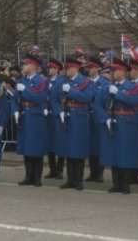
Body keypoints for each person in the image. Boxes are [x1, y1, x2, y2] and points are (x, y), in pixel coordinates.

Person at [98, 58, 138, 194]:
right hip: (112, 122)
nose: (113, 73)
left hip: (127, 122)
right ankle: (115, 183)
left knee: (125, 154)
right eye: (112, 71)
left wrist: (118, 94)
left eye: (116, 70)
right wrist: (105, 119)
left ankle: (125, 184)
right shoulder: (106, 87)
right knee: (114, 153)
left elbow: (135, 101)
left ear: (123, 72)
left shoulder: (134, 87)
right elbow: (98, 105)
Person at [58, 58, 94, 191]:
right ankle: (70, 180)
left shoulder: (85, 82)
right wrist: (59, 111)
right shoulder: (64, 81)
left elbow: (88, 97)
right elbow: (56, 98)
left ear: (75, 69)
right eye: (65, 68)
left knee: (78, 150)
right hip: (67, 117)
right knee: (68, 150)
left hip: (79, 118)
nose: (66, 71)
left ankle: (78, 180)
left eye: (68, 68)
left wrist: (71, 92)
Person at [14, 55, 49, 187]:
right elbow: (14, 98)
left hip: (36, 116)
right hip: (25, 115)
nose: (23, 67)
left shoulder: (41, 81)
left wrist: (26, 90)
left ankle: (37, 178)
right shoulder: (22, 80)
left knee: (36, 148)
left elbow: (40, 98)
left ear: (33, 66)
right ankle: (28, 176)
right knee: (26, 147)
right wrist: (15, 110)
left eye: (25, 65)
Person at [86, 57, 108, 183]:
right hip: (88, 117)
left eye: (92, 68)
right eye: (89, 68)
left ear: (97, 69)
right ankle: (92, 172)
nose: (90, 70)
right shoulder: (86, 82)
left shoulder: (104, 83)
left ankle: (99, 173)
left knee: (99, 146)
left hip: (99, 118)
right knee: (91, 147)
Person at [46, 59, 66, 179]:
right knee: (49, 144)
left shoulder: (61, 82)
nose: (49, 70)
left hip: (58, 116)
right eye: (49, 68)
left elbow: (62, 99)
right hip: (47, 115)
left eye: (52, 68)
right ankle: (52, 169)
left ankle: (59, 170)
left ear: (57, 69)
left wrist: (60, 111)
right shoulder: (46, 81)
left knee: (60, 143)